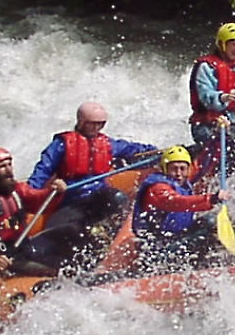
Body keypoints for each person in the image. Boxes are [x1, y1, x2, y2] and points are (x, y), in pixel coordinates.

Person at [24, 101, 159, 270]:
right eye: (93, 124)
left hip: (98, 198)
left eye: (100, 124)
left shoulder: (108, 144)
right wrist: (28, 194)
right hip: (71, 200)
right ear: (81, 122)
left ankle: (108, 235)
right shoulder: (62, 145)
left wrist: (157, 153)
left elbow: (134, 149)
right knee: (64, 230)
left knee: (118, 198)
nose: (97, 128)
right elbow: (43, 169)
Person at [0, 147, 66, 282]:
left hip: (23, 248)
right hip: (3, 256)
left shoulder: (17, 190)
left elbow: (38, 201)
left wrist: (54, 192)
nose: (8, 170)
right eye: (2, 166)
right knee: (52, 270)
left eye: (9, 165)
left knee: (71, 235)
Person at [132, 145, 232, 273]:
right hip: (159, 251)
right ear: (165, 169)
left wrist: (215, 140)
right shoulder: (157, 188)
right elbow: (177, 202)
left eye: (182, 169)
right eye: (174, 169)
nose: (179, 173)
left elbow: (203, 163)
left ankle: (204, 259)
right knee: (209, 224)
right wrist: (211, 199)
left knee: (211, 221)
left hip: (178, 238)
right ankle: (192, 265)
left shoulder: (182, 182)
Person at [189, 22, 235, 173]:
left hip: (231, 123)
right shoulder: (206, 67)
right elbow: (205, 96)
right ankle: (215, 180)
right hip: (206, 124)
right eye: (233, 44)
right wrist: (223, 97)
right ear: (222, 44)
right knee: (234, 149)